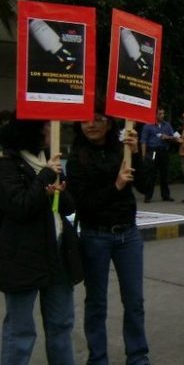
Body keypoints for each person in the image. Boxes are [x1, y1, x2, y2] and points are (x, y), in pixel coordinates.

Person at [67, 110, 150, 365]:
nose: (91, 125)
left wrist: (136, 153)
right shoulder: (76, 157)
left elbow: (146, 186)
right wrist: (116, 186)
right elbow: (82, 203)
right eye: (85, 120)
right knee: (96, 303)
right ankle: (97, 359)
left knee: (134, 301)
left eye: (97, 119)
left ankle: (138, 357)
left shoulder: (121, 149)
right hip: (94, 236)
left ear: (110, 122)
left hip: (128, 235)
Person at [0, 116, 80, 365]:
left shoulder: (49, 159)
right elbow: (19, 206)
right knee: (21, 331)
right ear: (30, 130)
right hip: (22, 257)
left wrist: (60, 192)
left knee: (61, 324)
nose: (51, 129)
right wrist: (45, 176)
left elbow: (68, 207)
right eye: (46, 125)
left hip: (57, 251)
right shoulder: (8, 164)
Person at [139, 107, 176, 203]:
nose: (162, 116)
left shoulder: (166, 125)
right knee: (152, 172)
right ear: (155, 115)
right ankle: (148, 196)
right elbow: (143, 141)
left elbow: (174, 137)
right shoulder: (148, 125)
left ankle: (165, 195)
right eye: (160, 114)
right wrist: (143, 155)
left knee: (164, 173)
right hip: (153, 152)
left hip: (164, 151)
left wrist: (167, 137)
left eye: (163, 113)